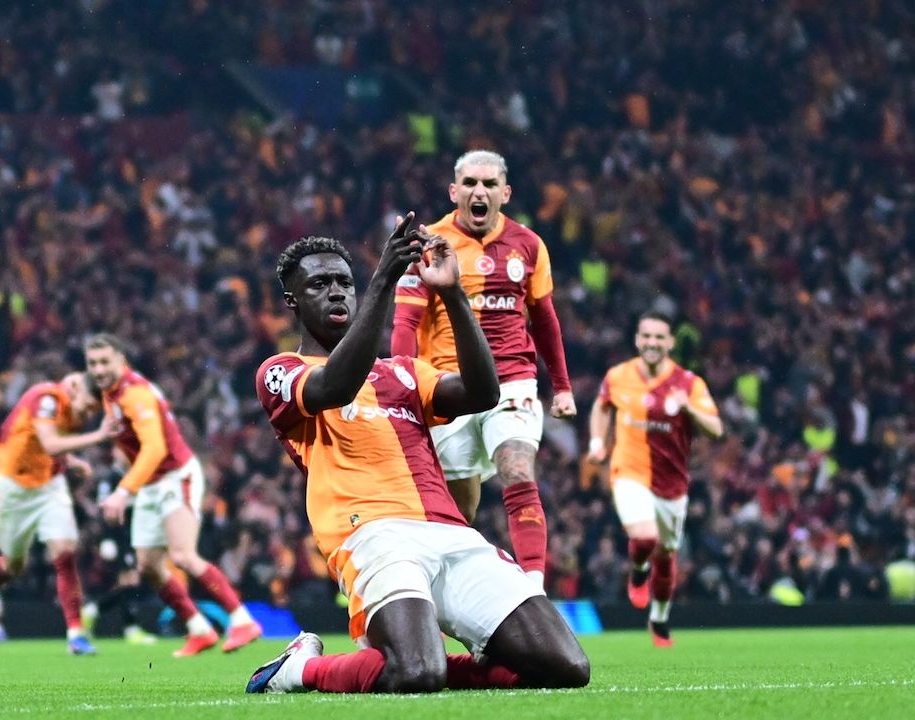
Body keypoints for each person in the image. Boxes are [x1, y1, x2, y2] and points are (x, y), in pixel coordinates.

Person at [248, 217, 588, 694]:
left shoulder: (402, 372)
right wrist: (385, 280)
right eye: (319, 285)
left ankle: (426, 655)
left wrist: (452, 295)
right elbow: (337, 385)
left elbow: (483, 392)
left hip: (450, 532)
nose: (336, 292)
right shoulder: (280, 371)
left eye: (344, 282)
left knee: (566, 667)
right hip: (372, 536)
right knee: (416, 673)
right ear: (292, 302)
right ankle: (299, 669)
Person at [391, 150, 575, 588]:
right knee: (460, 511)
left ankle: (533, 588)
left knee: (517, 467)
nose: (480, 191)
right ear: (454, 191)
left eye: (489, 184)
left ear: (504, 193)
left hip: (513, 381)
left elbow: (545, 320)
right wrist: (404, 384)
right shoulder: (430, 243)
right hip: (449, 386)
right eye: (471, 183)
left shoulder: (528, 244)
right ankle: (446, 599)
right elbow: (405, 323)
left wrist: (562, 386)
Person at [86, 334, 263, 657]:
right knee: (148, 565)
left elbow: (155, 448)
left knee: (182, 556)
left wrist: (123, 491)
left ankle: (242, 621)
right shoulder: (112, 394)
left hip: (175, 476)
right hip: (151, 483)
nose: (98, 369)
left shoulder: (135, 394)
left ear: (121, 361)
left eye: (104, 362)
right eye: (92, 363)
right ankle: (199, 629)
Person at [587, 311, 723, 647]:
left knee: (666, 556)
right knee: (645, 537)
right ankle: (638, 569)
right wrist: (597, 442)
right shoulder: (618, 376)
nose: (652, 342)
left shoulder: (689, 383)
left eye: (659, 337)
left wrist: (688, 409)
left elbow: (716, 430)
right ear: (637, 339)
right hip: (628, 471)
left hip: (671, 485)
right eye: (646, 336)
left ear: (670, 342)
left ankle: (659, 618)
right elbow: (602, 406)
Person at [0, 368, 115, 654]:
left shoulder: (75, 407)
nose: (87, 415)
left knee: (65, 552)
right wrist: (98, 436)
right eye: (88, 407)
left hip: (49, 484)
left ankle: (76, 634)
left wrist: (69, 460)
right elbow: (49, 442)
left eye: (93, 412)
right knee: (14, 566)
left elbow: (45, 442)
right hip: (12, 488)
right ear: (75, 387)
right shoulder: (46, 398)